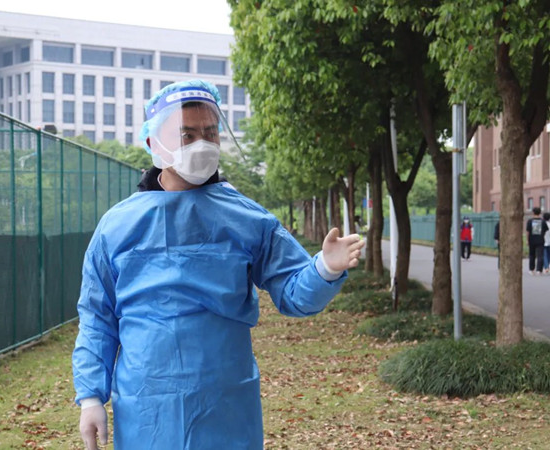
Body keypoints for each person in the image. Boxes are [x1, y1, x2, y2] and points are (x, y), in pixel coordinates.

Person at [71, 79, 365, 449]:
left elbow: (294, 295)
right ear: (153, 143)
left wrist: (325, 268)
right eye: (187, 135)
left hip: (225, 403)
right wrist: (91, 397)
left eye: (210, 133)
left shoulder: (246, 218)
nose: (202, 144)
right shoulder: (117, 226)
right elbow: (97, 317)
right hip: (147, 407)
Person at [526, 207, 548, 275]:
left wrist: (527, 240)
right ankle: (539, 270)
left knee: (532, 255)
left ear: (533, 212)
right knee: (540, 255)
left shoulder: (530, 221)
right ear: (540, 213)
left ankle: (531, 269)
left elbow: (528, 232)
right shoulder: (543, 221)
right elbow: (545, 230)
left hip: (531, 240)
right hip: (540, 240)